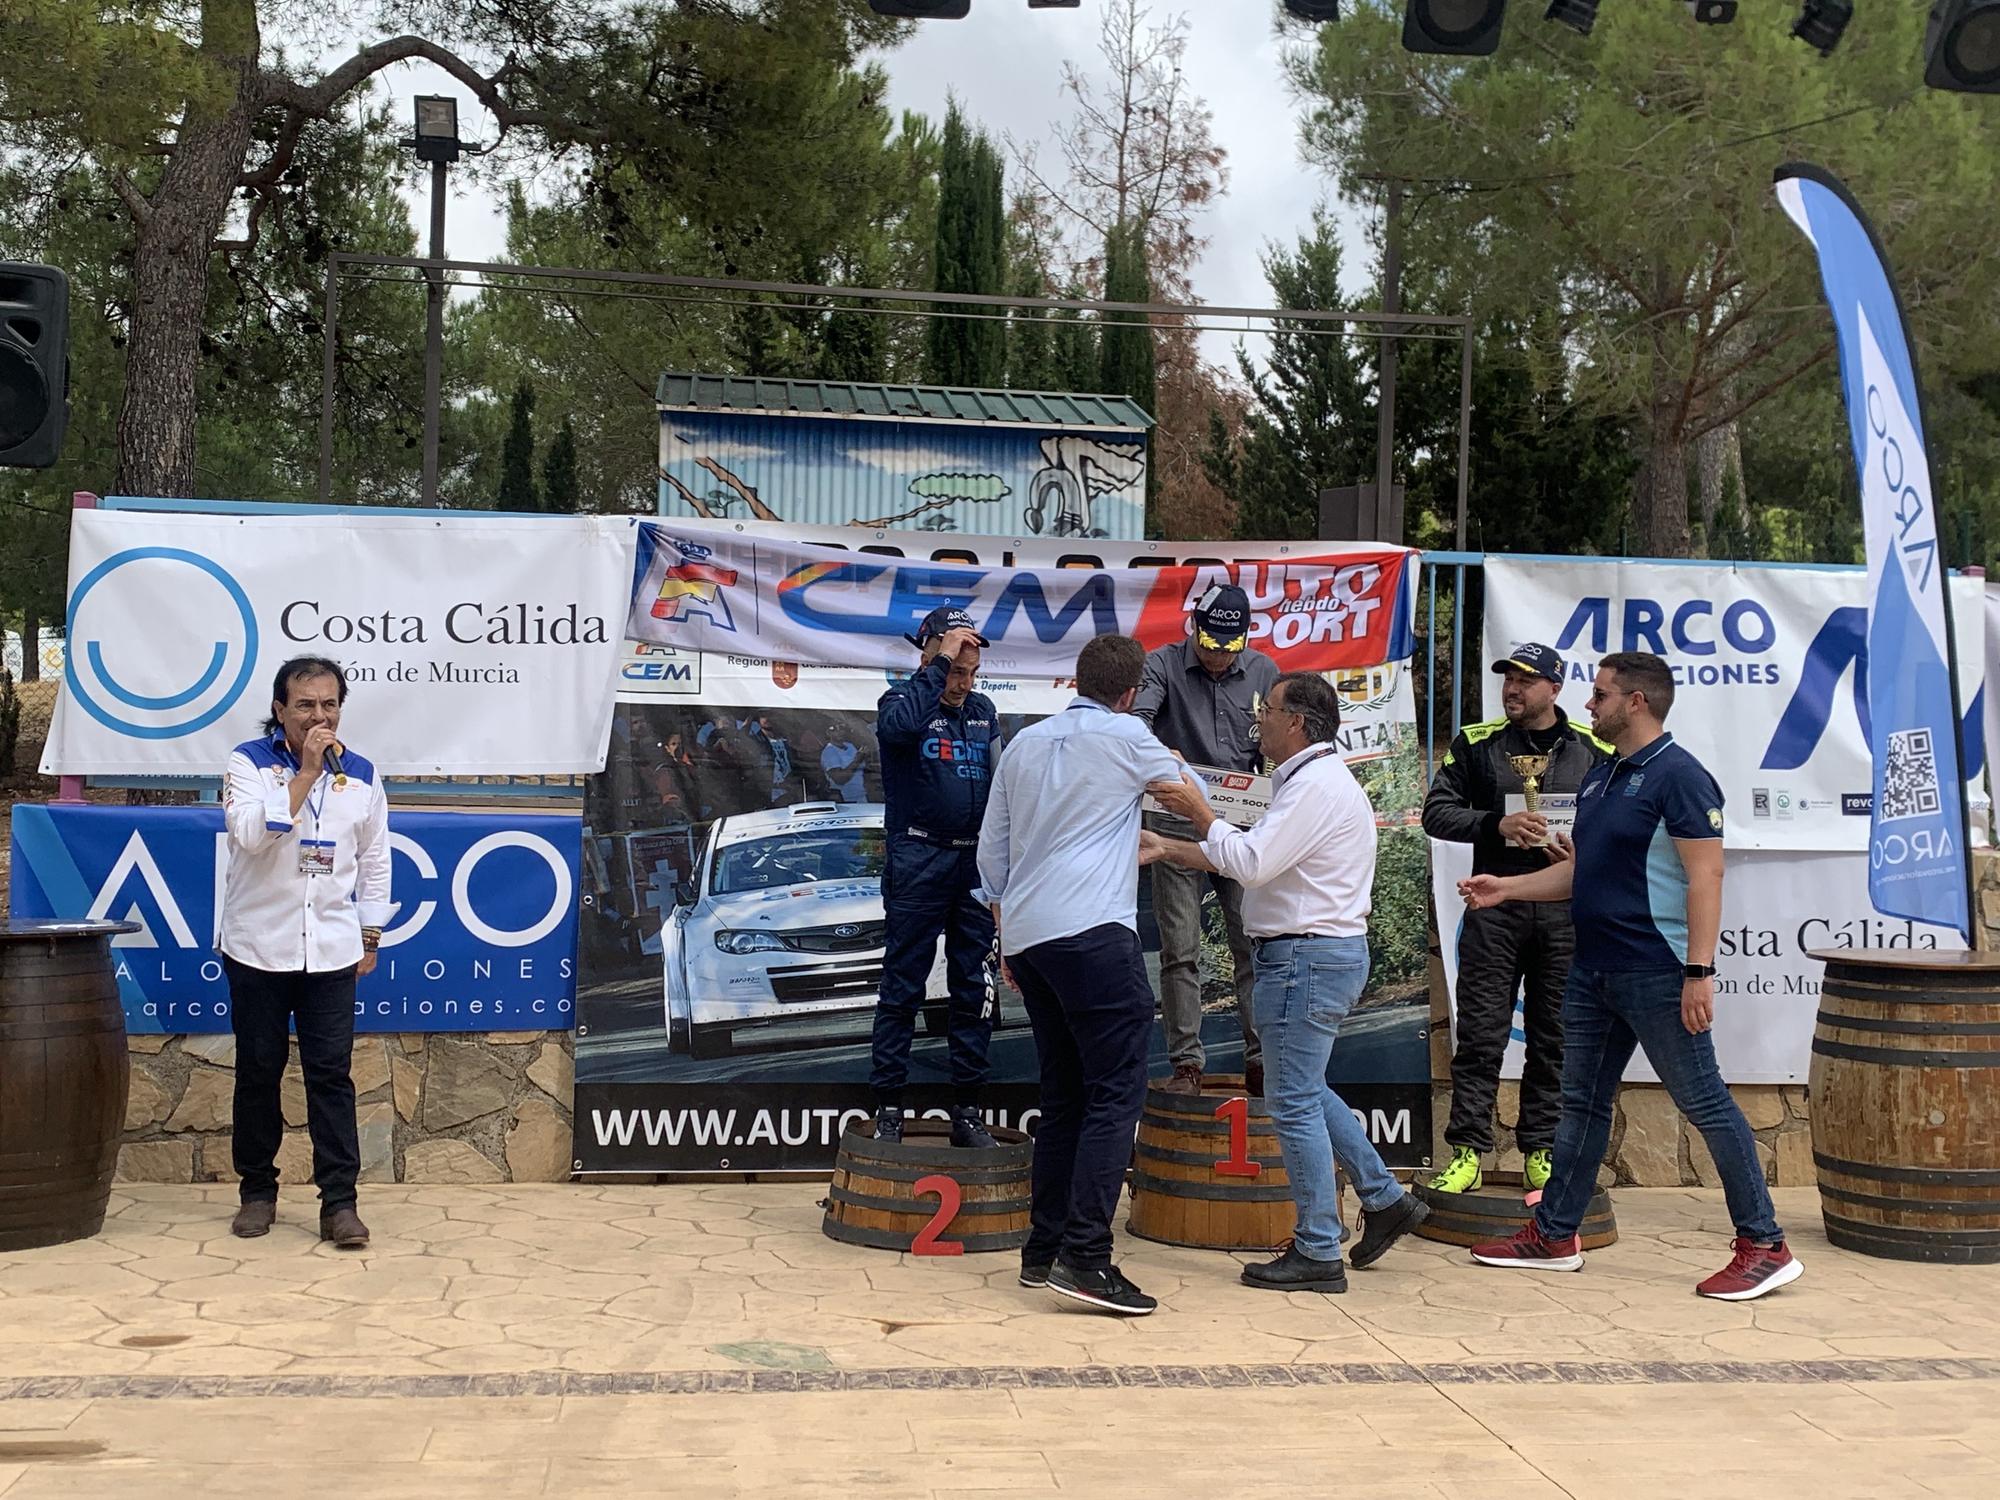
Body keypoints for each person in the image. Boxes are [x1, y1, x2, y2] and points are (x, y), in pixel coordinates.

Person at [1459, 651, 1804, 1301]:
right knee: (1580, 1103)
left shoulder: (1680, 777)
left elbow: (1708, 875)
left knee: (1705, 1102)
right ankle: (1555, 1234)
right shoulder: (1602, 776)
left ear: (1637, 703)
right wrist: (1506, 887)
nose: (1588, 705)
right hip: (1593, 972)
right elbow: (1578, 874)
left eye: (1600, 695)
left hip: (1656, 970)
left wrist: (1698, 971)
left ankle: (1765, 1245)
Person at [1145, 673, 1429, 1294]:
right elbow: (1249, 853)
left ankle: (1319, 1249)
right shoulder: (1308, 782)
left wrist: (1196, 810)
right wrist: (1171, 849)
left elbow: (1248, 862)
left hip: (1305, 959)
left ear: (1297, 722)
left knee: (1292, 1100)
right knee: (1301, 1088)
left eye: (1268, 711)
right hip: (1311, 957)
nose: (1259, 722)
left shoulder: (1315, 787)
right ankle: (1384, 1198)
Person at [979, 634, 1185, 1317]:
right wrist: (1218, 831)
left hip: (1032, 938)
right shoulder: (1129, 735)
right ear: (1130, 694)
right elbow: (1182, 793)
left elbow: (992, 856)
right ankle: (1087, 1260)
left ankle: (1043, 1251)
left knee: (1065, 1095)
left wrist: (1008, 937)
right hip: (1095, 932)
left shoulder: (1025, 744)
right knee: (1113, 1096)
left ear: (1076, 681)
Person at [218, 656, 396, 1249]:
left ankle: (339, 1204)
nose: (319, 716)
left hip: (331, 950)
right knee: (259, 1072)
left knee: (330, 1076)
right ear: (280, 711)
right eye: (305, 706)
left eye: (329, 705)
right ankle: (257, 1193)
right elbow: (251, 834)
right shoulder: (249, 763)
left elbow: (374, 862)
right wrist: (306, 774)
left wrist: (370, 934)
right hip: (258, 947)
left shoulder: (364, 775)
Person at [1421, 642, 1611, 1196]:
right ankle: (1466, 1153)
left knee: (1554, 1038)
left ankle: (1541, 1150)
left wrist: (1583, 851)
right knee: (1481, 1035)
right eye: (1508, 678)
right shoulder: (1477, 744)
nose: (1513, 689)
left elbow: (1622, 822)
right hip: (1495, 908)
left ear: (1554, 689)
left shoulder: (1595, 749)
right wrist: (1493, 827)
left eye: (1527, 681)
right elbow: (1436, 811)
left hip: (1565, 916)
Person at [1132, 583, 1278, 1097]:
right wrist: (1157, 752)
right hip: (1175, 824)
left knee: (1252, 944)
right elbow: (1135, 722)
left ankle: (1262, 1062)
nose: (1217, 655)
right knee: (1181, 948)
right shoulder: (1163, 664)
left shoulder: (1263, 672)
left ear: (1245, 640)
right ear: (1193, 627)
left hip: (1242, 826)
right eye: (1209, 643)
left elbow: (1279, 746)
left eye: (1228, 647)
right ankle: (1187, 1065)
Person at [870, 607, 1003, 1148]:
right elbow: (898, 730)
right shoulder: (900, 702)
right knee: (903, 988)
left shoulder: (984, 710)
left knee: (972, 989)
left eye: (970, 673)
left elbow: (1002, 786)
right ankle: (887, 1112)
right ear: (928, 655)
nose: (961, 684)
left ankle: (967, 1111)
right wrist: (940, 659)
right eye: (953, 670)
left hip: (972, 865)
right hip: (918, 856)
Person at [822, 725, 869, 803]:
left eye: (841, 728)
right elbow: (839, 779)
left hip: (862, 797)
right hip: (846, 800)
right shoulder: (829, 752)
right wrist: (857, 760)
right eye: (835, 729)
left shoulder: (850, 746)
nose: (839, 732)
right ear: (828, 733)